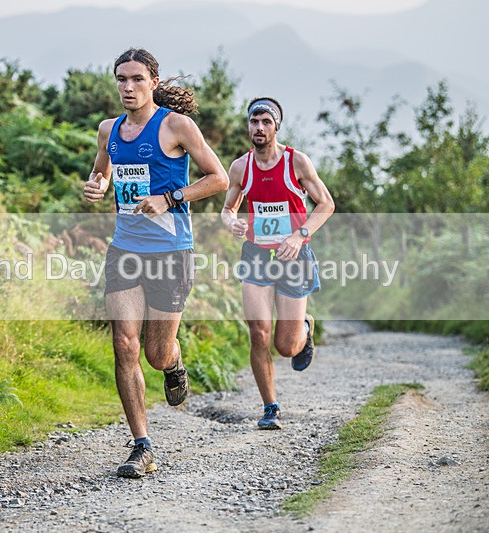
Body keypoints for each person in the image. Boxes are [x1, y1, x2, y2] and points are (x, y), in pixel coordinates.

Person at [83, 48, 229, 477]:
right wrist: (97, 185)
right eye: (121, 79)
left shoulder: (175, 125)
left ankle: (174, 362)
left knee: (156, 351)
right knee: (124, 345)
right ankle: (142, 445)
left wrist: (170, 197)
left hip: (170, 252)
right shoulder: (108, 129)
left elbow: (218, 178)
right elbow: (102, 171)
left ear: (153, 82)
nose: (128, 87)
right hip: (124, 250)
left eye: (136, 79)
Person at [220, 97, 334, 430]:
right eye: (254, 122)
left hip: (293, 256)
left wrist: (299, 235)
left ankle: (304, 328)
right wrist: (233, 224)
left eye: (266, 122)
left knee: (286, 346)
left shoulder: (296, 162)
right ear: (248, 125)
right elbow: (228, 210)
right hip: (257, 254)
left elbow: (326, 204)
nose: (259, 128)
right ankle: (270, 406)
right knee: (258, 332)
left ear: (276, 126)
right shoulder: (241, 167)